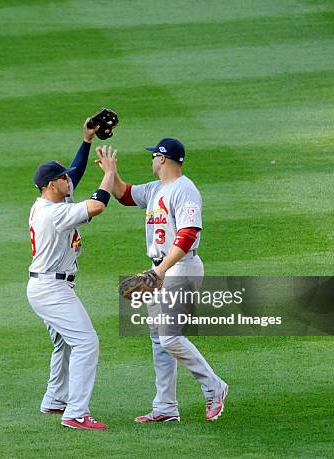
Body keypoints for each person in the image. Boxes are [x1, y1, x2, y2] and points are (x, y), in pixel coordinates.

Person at [103, 137, 229, 422]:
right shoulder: (156, 189)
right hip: (159, 269)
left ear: (162, 159)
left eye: (153, 157)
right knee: (158, 340)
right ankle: (165, 407)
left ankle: (215, 386)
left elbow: (188, 235)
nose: (151, 161)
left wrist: (160, 272)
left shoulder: (185, 190)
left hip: (180, 269)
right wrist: (110, 174)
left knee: (170, 337)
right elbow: (125, 195)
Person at [27, 120, 117, 430]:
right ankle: (76, 413)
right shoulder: (53, 213)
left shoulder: (51, 199)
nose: (69, 179)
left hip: (46, 284)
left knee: (65, 343)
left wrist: (86, 140)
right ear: (52, 185)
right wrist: (108, 174)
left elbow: (76, 172)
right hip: (51, 288)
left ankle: (55, 399)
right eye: (62, 177)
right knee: (87, 343)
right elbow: (97, 206)